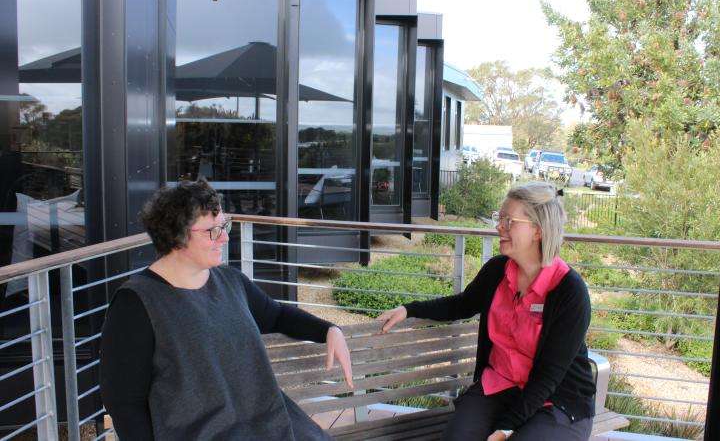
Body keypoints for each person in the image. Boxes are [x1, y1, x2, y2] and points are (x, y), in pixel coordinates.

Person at [100, 179, 352, 440]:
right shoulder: (136, 303)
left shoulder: (230, 281)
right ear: (176, 235)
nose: (224, 236)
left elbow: (276, 315)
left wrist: (328, 329)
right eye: (212, 230)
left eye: (224, 225)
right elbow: (124, 402)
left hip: (271, 423)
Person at [378, 181, 595, 441]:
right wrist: (408, 309)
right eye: (499, 218)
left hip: (556, 399)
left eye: (509, 221)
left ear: (538, 230)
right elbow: (461, 304)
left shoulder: (569, 291)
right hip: (499, 386)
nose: (499, 227)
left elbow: (549, 376)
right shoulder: (497, 271)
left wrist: (506, 428)